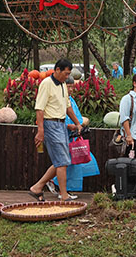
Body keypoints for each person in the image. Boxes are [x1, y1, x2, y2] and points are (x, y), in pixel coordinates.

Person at [29, 59, 82, 202]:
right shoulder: (46, 83)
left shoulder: (63, 85)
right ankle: (63, 194)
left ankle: (37, 187)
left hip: (61, 124)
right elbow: (39, 109)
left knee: (62, 160)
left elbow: (67, 106)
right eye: (66, 73)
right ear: (57, 70)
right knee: (62, 161)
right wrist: (41, 131)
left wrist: (77, 123)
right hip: (50, 124)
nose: (67, 76)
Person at [46, 76, 100, 199]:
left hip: (72, 136)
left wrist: (78, 125)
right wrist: (69, 126)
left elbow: (77, 116)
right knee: (63, 163)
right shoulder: (59, 100)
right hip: (62, 135)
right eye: (68, 86)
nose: (70, 89)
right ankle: (55, 185)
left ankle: (56, 185)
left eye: (72, 87)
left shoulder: (70, 100)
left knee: (69, 163)